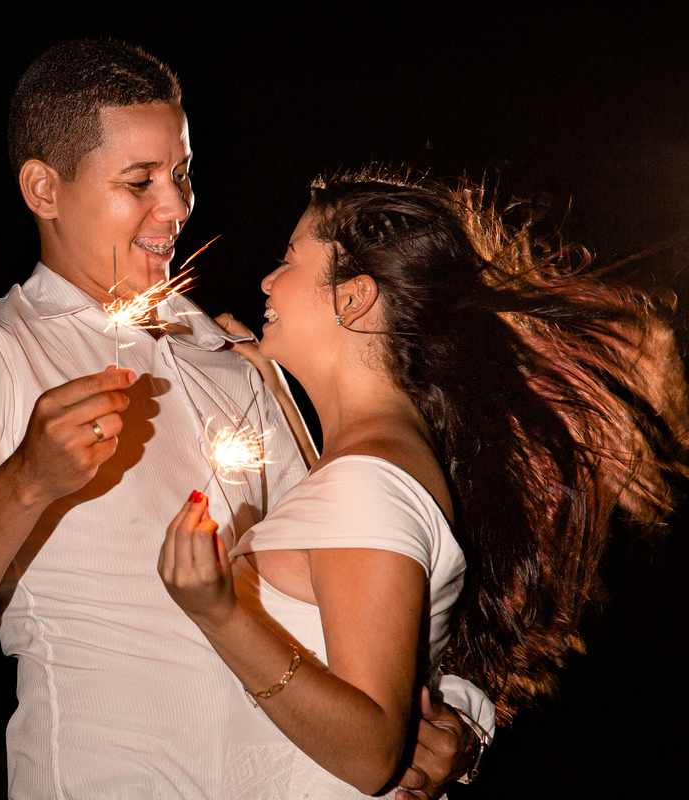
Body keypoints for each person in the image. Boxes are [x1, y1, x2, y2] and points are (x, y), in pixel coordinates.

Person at [0, 41, 489, 799]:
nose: (178, 207)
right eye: (140, 182)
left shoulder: (232, 356)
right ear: (44, 189)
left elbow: (342, 585)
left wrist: (454, 718)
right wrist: (25, 482)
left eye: (182, 173)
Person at [160, 171, 689, 796]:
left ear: (353, 298)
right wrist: (277, 391)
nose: (267, 281)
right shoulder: (373, 464)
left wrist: (220, 614)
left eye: (289, 260)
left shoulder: (367, 480)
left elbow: (371, 752)